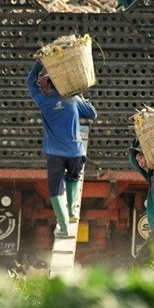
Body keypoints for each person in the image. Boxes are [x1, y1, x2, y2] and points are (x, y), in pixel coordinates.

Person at [27, 60, 98, 237]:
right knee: (73, 179)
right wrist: (80, 96)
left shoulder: (43, 101)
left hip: (55, 154)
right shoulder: (72, 99)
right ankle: (73, 213)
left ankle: (64, 227)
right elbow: (93, 114)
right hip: (75, 153)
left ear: (44, 88)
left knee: (55, 190)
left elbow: (29, 82)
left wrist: (39, 63)